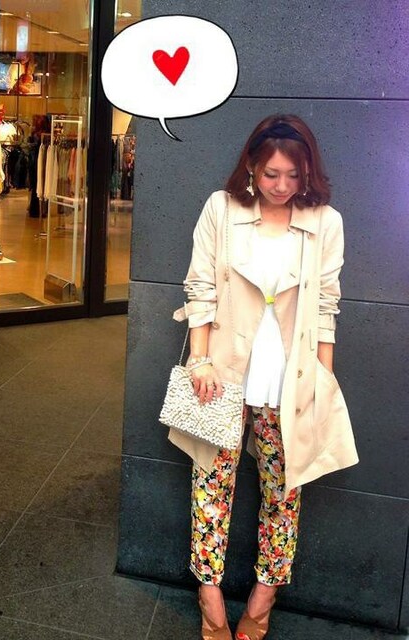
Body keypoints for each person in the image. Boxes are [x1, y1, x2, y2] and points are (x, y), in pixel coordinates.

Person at [171, 114, 359, 640]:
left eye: (294, 175)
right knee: (211, 484)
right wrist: (200, 360)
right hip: (224, 372)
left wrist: (321, 381)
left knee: (283, 490)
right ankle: (209, 593)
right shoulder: (221, 208)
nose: (282, 186)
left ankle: (265, 593)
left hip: (289, 378)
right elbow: (201, 288)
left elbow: (326, 306)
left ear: (308, 172)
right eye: (272, 173)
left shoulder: (325, 222)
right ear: (252, 166)